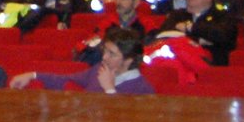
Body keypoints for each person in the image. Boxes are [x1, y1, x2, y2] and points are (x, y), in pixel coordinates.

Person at [10, 27, 155, 95]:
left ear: (128, 60)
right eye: (105, 51)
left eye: (112, 54)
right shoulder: (99, 69)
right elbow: (65, 79)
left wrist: (109, 89)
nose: (104, 57)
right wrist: (32, 75)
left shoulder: (142, 89)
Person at [159, 0, 237, 66]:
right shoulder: (177, 15)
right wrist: (198, 40)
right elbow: (163, 35)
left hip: (213, 68)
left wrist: (190, 27)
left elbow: (223, 37)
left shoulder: (222, 16)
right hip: (179, 65)